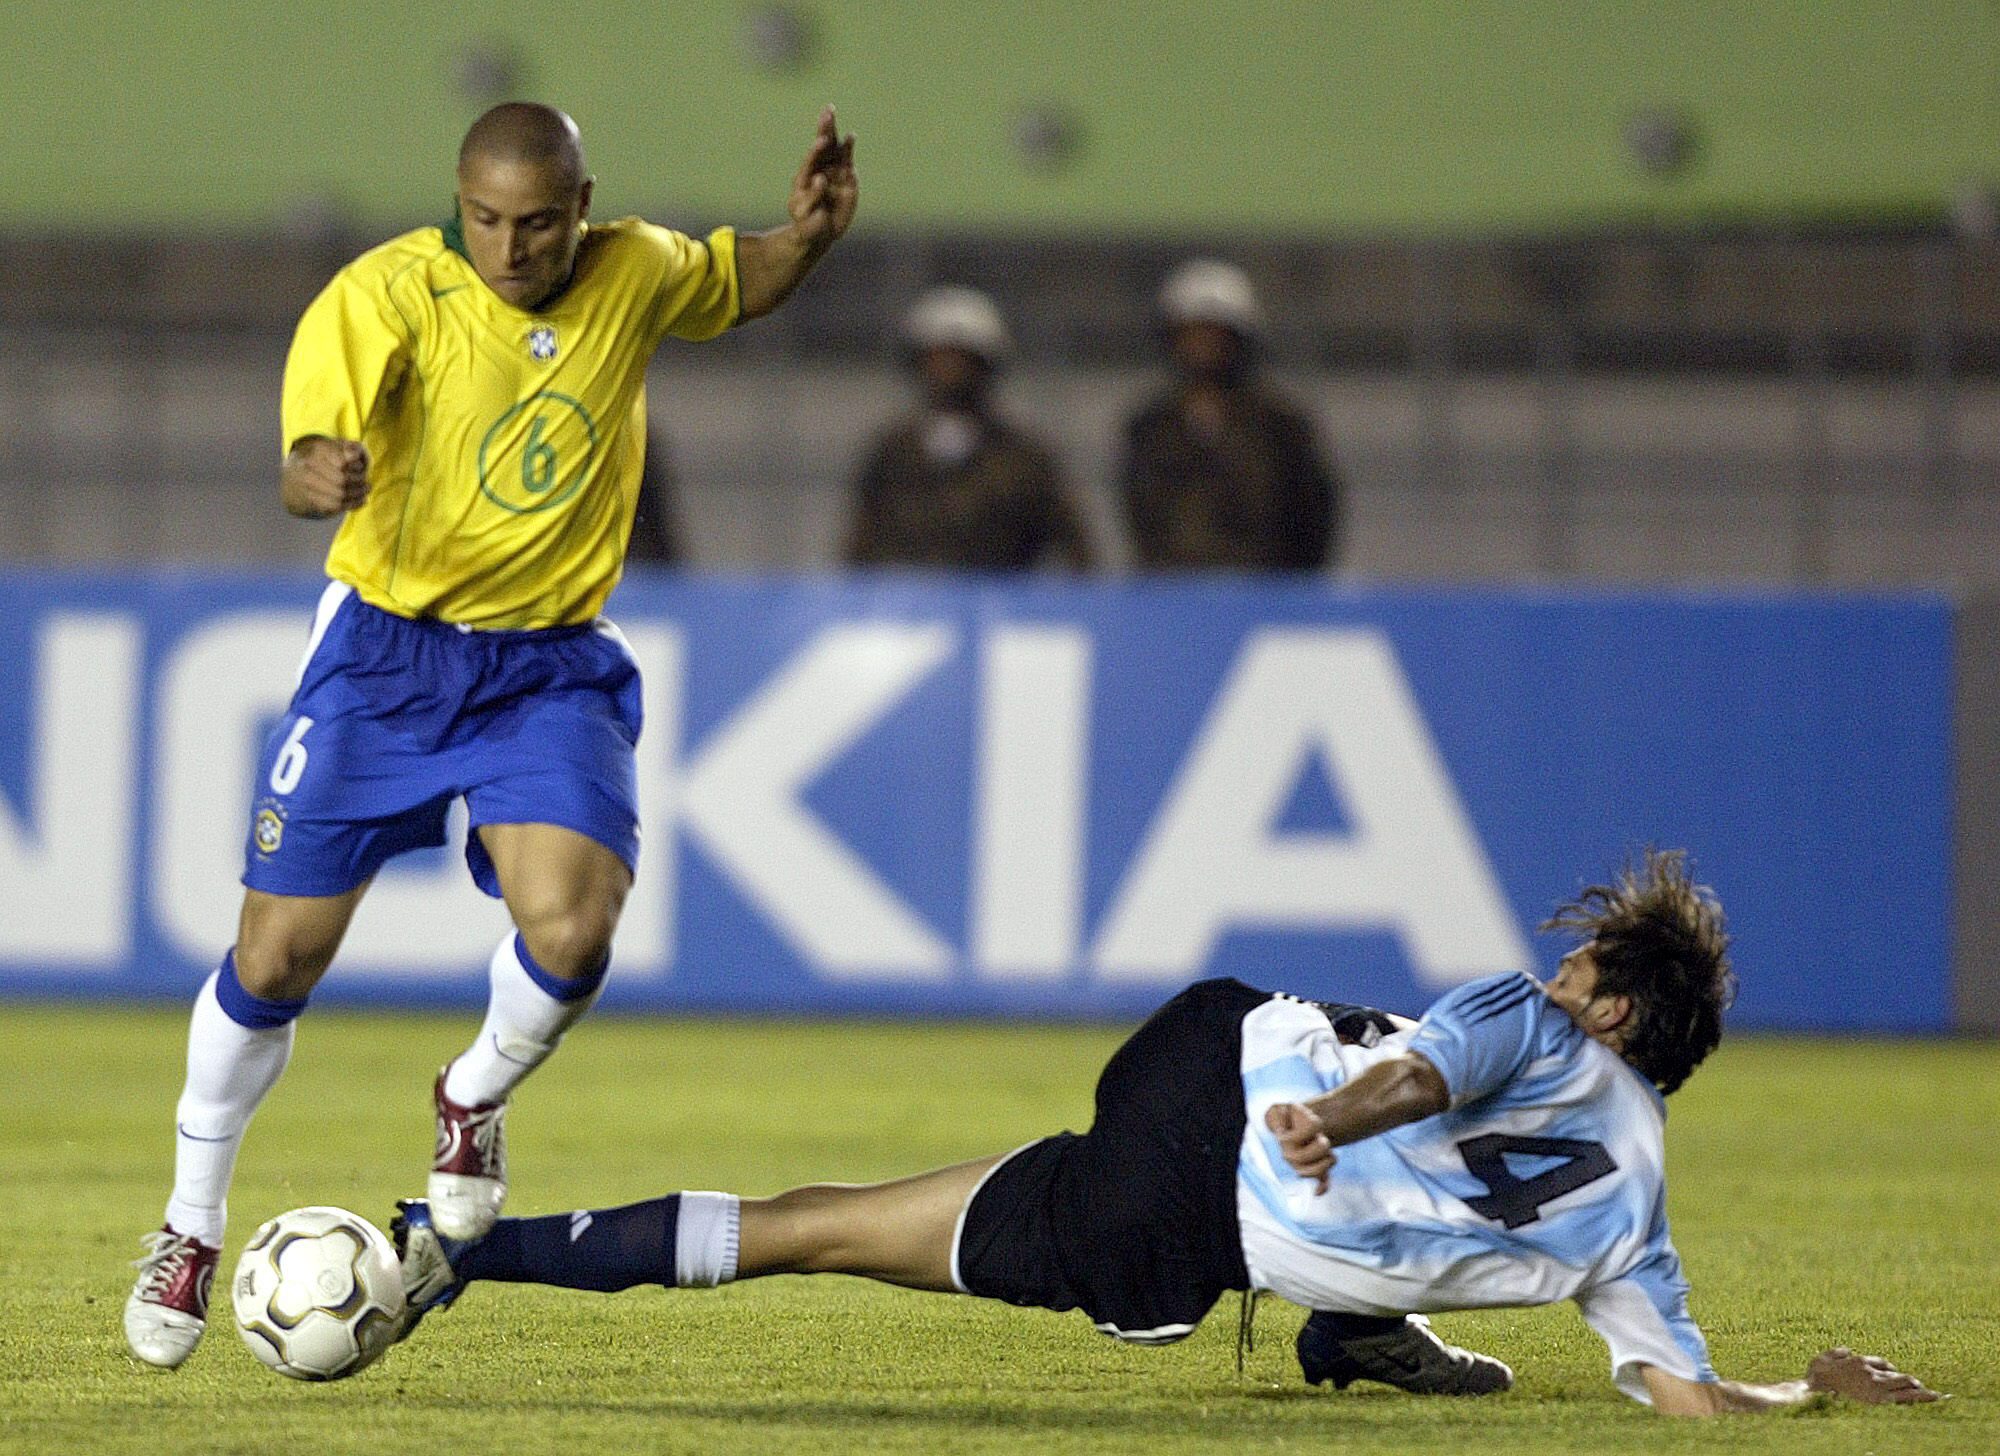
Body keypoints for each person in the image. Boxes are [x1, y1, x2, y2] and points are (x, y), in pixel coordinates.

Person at [122, 101, 859, 1370]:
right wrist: (313, 475)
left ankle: (469, 1097)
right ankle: (190, 1227)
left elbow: (741, 277)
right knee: (276, 956)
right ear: (456, 201)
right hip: (385, 656)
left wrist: (810, 234)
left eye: (533, 222)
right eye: (484, 218)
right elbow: (309, 442)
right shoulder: (390, 293)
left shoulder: (635, 269)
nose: (507, 246)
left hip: (547, 667)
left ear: (583, 206)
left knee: (574, 928)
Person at [392, 851, 1940, 1416]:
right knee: (833, 1238)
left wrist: (1327, 1114)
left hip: (1209, 1076)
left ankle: (454, 1255)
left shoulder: (1528, 1021)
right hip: (1185, 1233)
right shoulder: (1639, 1217)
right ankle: (1355, 1320)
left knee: (819, 1217)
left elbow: (1413, 1082)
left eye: (1586, 965)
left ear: (1609, 1016)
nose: (1562, 967)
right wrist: (1820, 1394)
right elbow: (1684, 1399)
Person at [842, 285, 1097, 570]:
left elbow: (1076, 550)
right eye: (937, 357)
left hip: (1004, 606)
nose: (948, 370)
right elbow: (859, 548)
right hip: (908, 607)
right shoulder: (892, 453)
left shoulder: (1025, 457)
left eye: (962, 358)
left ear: (987, 365)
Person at [1119, 259, 1342, 572]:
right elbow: (1139, 517)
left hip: (1262, 592)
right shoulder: (1149, 426)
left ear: (1240, 340)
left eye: (1215, 335)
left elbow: (1313, 520)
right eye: (1192, 333)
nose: (1203, 346)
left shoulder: (1281, 426)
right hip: (1171, 594)